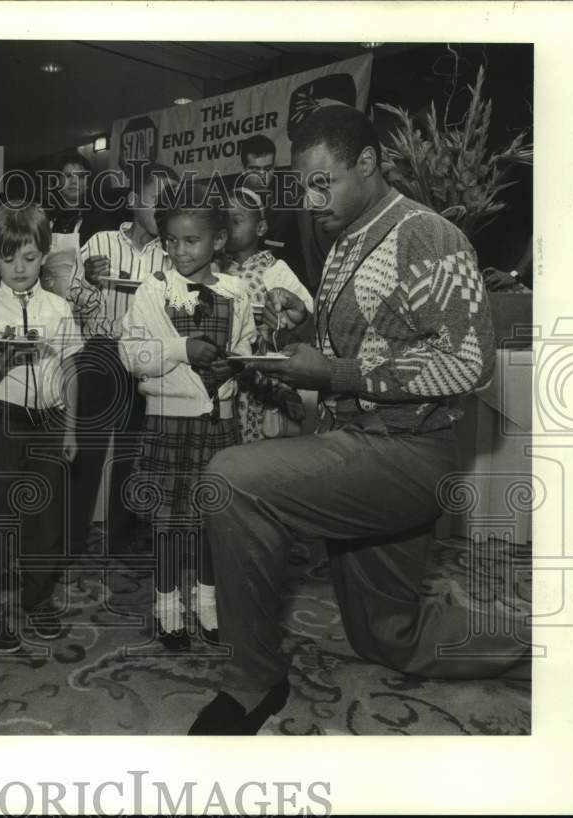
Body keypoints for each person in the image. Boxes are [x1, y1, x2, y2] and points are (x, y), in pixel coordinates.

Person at [190, 105, 530, 736]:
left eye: (325, 182)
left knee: (232, 477)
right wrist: (304, 324)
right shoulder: (350, 233)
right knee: (390, 637)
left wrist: (335, 375)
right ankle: (545, 650)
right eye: (304, 184)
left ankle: (252, 680)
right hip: (364, 444)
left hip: (405, 454)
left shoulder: (426, 234)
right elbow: (377, 335)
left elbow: (469, 363)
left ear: (369, 164)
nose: (311, 198)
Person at [118, 182, 255, 650]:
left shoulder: (237, 291)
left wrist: (230, 364)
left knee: (215, 522)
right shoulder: (153, 292)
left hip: (218, 424)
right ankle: (168, 607)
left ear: (218, 240)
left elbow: (244, 351)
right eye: (170, 240)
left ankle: (209, 603)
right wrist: (182, 349)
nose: (178, 250)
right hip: (168, 424)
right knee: (170, 524)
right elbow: (133, 355)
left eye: (191, 241)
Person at [0, 203, 83, 651]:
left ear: (44, 254)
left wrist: (70, 429)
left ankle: (38, 599)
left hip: (49, 423)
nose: (19, 268)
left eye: (29, 258)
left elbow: (71, 370)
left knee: (44, 518)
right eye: (9, 258)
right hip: (0, 420)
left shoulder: (59, 308)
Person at [65, 162, 178, 555]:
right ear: (133, 201)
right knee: (87, 448)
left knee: (132, 452)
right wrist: (89, 281)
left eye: (172, 200)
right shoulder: (99, 244)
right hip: (100, 352)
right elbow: (70, 302)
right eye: (157, 199)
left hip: (145, 356)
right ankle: (72, 536)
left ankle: (120, 539)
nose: (166, 208)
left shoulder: (171, 255)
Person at [220, 186, 314, 442]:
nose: (228, 225)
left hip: (262, 377)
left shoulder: (275, 269)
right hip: (225, 373)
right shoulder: (216, 267)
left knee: (257, 438)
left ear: (260, 229)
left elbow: (308, 315)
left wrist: (285, 321)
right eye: (224, 218)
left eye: (237, 220)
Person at [238, 134, 332, 295]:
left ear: (274, 167)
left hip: (290, 288)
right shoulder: (234, 203)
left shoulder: (291, 202)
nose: (262, 176)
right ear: (244, 170)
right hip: (247, 285)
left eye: (267, 169)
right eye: (255, 170)